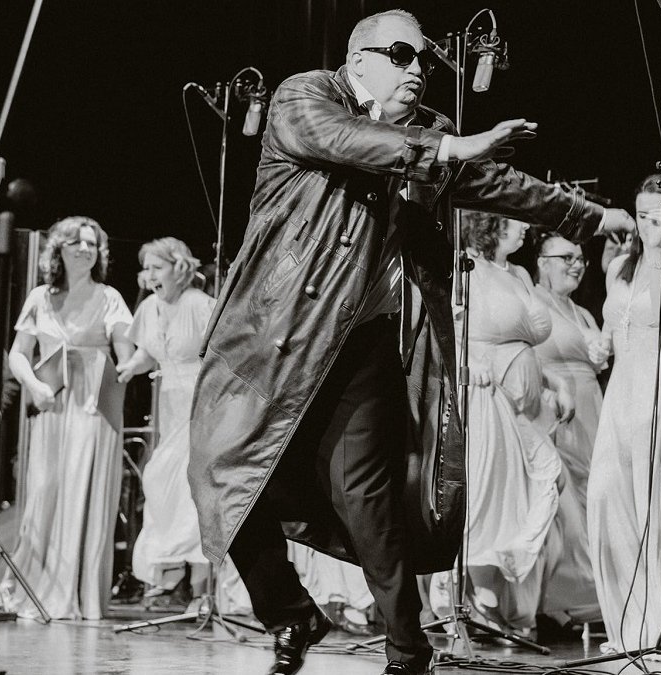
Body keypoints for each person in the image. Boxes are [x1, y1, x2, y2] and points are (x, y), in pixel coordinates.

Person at [188, 9, 633, 675]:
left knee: (366, 496)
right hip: (267, 339)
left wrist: (591, 215)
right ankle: (291, 614)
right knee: (218, 476)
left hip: (358, 343)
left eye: (425, 59)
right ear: (359, 57)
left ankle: (406, 646)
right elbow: (347, 140)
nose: (420, 69)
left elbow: (499, 184)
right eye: (403, 54)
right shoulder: (304, 96)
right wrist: (452, 149)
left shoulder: (429, 134)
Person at [0, 216, 134, 621]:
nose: (85, 250)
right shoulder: (41, 297)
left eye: (92, 244)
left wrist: (134, 355)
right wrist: (33, 386)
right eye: (77, 243)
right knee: (45, 493)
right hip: (51, 405)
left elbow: (128, 355)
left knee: (82, 494)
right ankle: (37, 590)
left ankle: (78, 594)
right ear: (59, 250)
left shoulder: (109, 297)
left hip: (93, 407)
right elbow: (18, 353)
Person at [587, 175, 661, 652]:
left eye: (658, 215)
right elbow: (615, 327)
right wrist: (601, 346)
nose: (649, 225)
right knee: (609, 497)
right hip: (623, 390)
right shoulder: (619, 268)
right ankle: (630, 621)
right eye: (642, 215)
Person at [457, 213, 572, 635]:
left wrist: (554, 381)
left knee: (541, 482)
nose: (525, 225)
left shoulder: (518, 272)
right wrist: (469, 361)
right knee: (492, 494)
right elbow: (450, 323)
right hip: (488, 395)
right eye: (513, 218)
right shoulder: (466, 265)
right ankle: (480, 596)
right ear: (489, 223)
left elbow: (529, 340)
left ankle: (494, 591)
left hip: (527, 401)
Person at [116, 237, 215, 610]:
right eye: (147, 268)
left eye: (157, 267)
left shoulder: (200, 305)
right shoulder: (150, 308)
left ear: (180, 268)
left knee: (191, 491)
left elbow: (222, 354)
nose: (150, 275)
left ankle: (200, 589)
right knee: (160, 481)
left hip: (201, 406)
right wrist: (129, 367)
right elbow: (148, 353)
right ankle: (172, 575)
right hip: (170, 407)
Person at [531, 232, 607, 630]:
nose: (576, 265)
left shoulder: (581, 312)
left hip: (592, 410)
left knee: (594, 499)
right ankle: (564, 601)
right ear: (543, 261)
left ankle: (592, 595)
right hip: (556, 410)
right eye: (567, 257)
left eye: (581, 259)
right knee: (566, 509)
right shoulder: (533, 302)